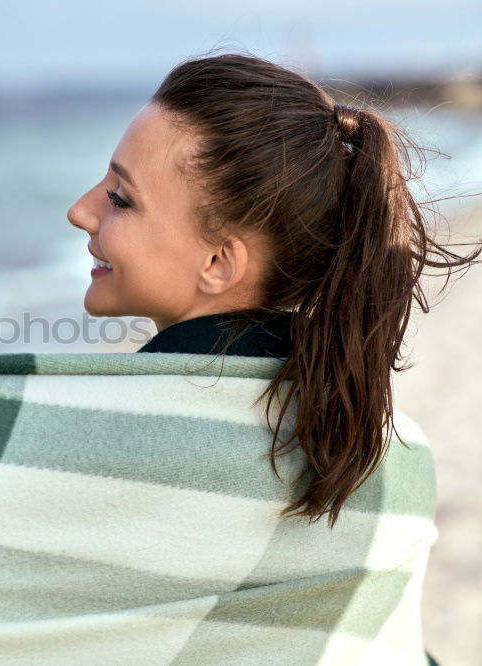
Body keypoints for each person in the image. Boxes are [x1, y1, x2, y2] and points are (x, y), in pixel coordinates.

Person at [68, 53, 472, 663]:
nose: (81, 210)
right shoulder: (396, 450)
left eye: (121, 199)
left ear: (218, 263)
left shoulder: (95, 439)